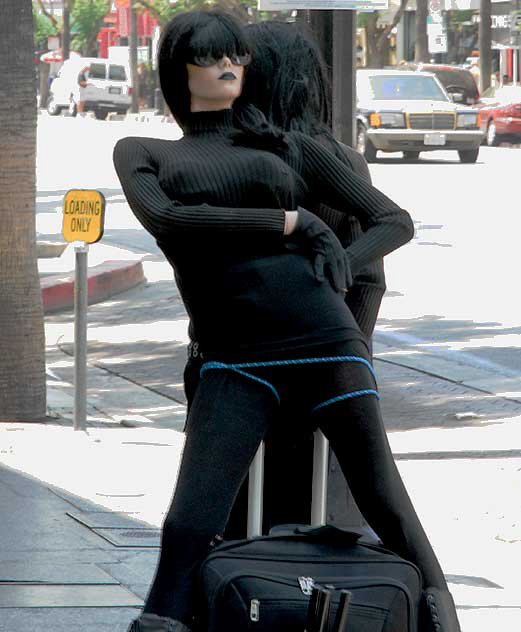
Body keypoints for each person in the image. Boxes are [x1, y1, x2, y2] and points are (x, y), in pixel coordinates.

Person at [113, 10, 459, 632]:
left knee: (387, 502)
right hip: (235, 355)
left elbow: (394, 220)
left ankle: (443, 617)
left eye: (237, 58)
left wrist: (335, 269)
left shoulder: (287, 146)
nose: (229, 67)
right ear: (177, 70)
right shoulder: (144, 152)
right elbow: (170, 222)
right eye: (211, 57)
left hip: (325, 339)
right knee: (189, 521)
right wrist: (292, 224)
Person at [183, 19, 385, 537]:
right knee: (311, 520)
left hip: (232, 367)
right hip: (328, 371)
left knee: (224, 522)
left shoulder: (222, 161)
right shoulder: (345, 161)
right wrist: (344, 359)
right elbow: (368, 281)